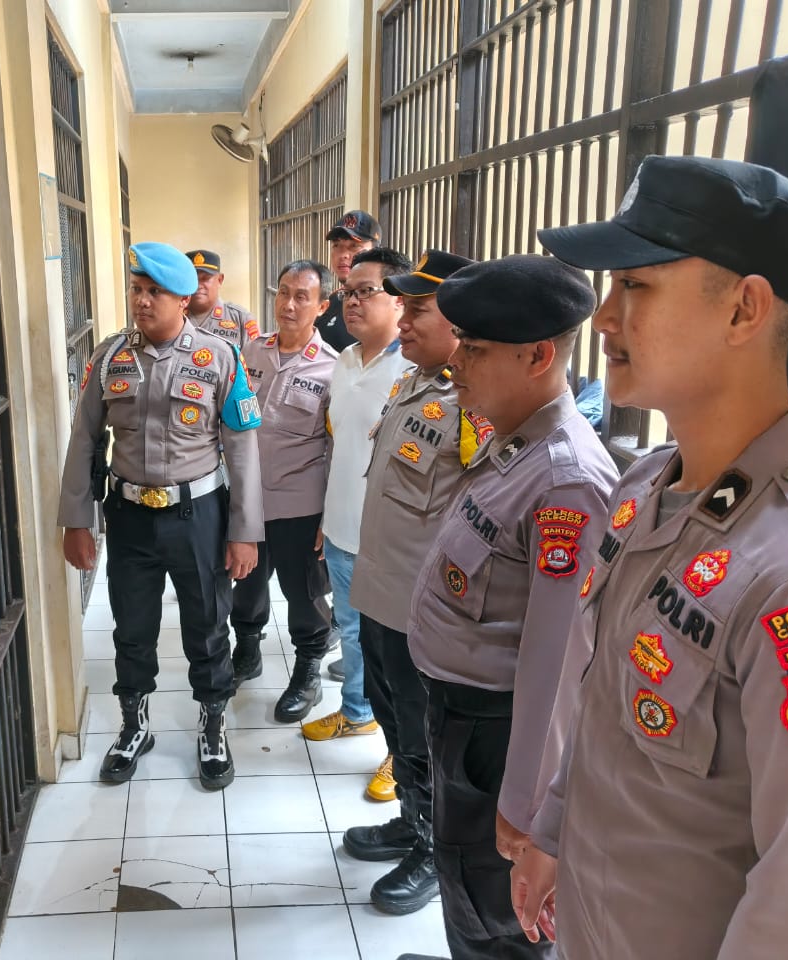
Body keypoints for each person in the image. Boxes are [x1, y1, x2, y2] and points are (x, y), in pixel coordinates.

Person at [510, 156, 788, 960]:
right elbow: (604, 702)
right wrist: (552, 829)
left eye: (636, 285)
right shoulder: (645, 487)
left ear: (744, 308)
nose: (604, 317)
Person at [399, 255, 618, 960]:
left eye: (475, 349)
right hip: (462, 717)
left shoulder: (566, 482)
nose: (455, 363)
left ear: (538, 356)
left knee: (498, 911)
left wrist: (526, 806)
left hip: (497, 737)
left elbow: (555, 666)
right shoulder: (513, 442)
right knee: (464, 881)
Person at [58, 242, 263, 790]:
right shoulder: (110, 356)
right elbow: (84, 439)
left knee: (207, 624)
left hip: (199, 515)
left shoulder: (220, 357)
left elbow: (242, 450)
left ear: (184, 299)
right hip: (128, 516)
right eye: (137, 289)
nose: (142, 301)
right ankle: (134, 726)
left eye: (155, 292)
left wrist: (245, 532)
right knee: (132, 626)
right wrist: (76, 519)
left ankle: (213, 726)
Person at [333, 250, 493, 919]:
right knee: (395, 720)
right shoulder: (414, 382)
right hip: (380, 593)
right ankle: (411, 818)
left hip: (423, 612)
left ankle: (434, 848)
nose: (402, 321)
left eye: (418, 310)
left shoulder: (475, 403)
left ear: (460, 321)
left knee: (427, 733)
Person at [300, 247, 412, 747]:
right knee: (351, 632)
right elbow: (340, 446)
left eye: (366, 291)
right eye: (348, 292)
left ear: (400, 300)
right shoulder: (343, 361)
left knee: (394, 649)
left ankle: (401, 750)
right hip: (343, 530)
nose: (352, 301)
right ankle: (357, 711)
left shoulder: (416, 370)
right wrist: (327, 517)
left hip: (391, 543)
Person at [230, 260, 338, 723]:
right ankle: (247, 649)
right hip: (249, 498)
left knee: (304, 592)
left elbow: (337, 447)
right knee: (246, 582)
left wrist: (328, 517)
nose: (289, 305)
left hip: (301, 502)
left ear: (322, 306)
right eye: (284, 293)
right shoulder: (252, 352)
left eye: (302, 297)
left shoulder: (333, 367)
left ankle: (308, 670)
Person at [317, 210, 381, 352]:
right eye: (336, 245)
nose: (343, 255)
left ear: (375, 251)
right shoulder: (330, 302)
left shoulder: (390, 306)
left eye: (354, 246)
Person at [185, 249, 260, 347]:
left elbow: (256, 354)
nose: (198, 285)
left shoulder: (241, 318)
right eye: (193, 279)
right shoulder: (174, 316)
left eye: (205, 279)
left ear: (220, 280)